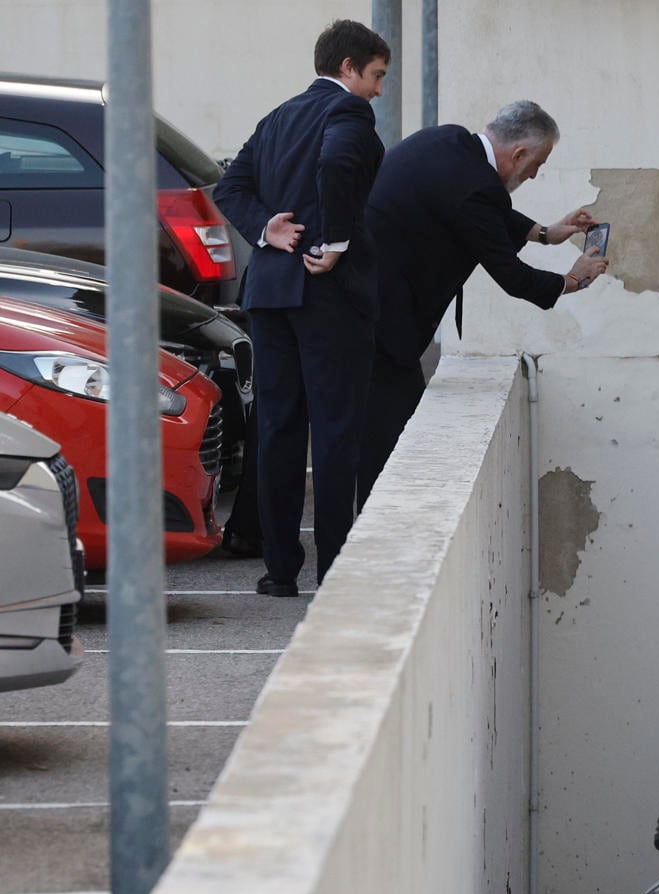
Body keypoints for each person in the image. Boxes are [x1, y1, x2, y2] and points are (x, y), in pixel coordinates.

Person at [356, 101, 608, 504]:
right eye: (537, 164)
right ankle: (367, 539)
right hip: (382, 323)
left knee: (380, 433)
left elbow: (487, 212)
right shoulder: (475, 187)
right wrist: (572, 281)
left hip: (362, 308)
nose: (536, 174)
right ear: (519, 154)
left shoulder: (450, 141)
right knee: (391, 442)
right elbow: (511, 275)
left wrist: (546, 233)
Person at [213, 19, 388, 596]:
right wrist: (333, 243)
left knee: (279, 429)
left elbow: (229, 187)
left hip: (269, 294)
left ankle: (280, 571)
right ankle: (334, 570)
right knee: (336, 430)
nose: (378, 90)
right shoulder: (349, 113)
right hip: (325, 293)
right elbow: (337, 165)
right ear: (348, 68)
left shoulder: (276, 117)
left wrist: (267, 229)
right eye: (377, 76)